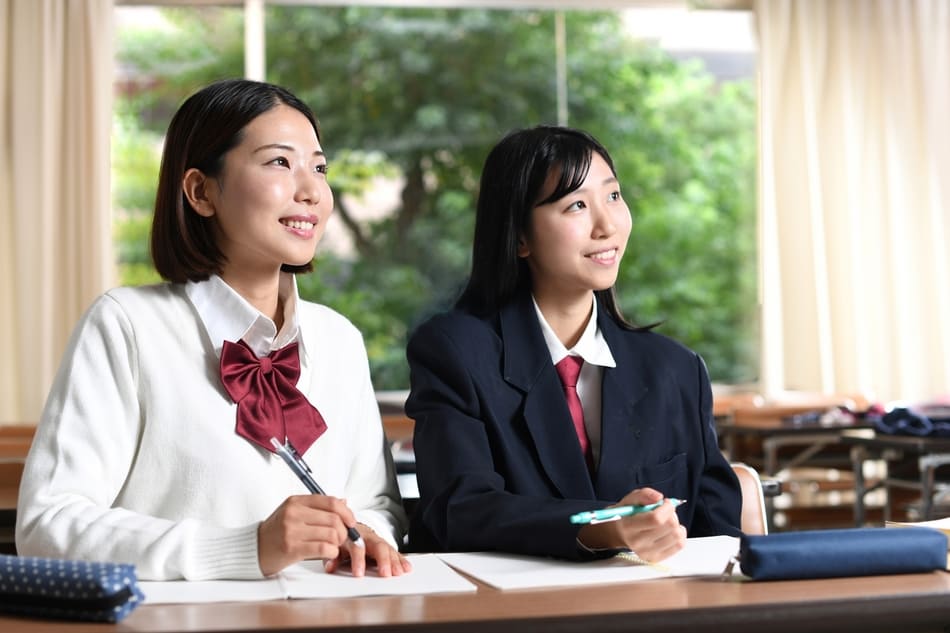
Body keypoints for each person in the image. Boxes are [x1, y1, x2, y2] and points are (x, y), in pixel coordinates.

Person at [16, 79, 411, 581]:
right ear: (201, 191)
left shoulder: (340, 340)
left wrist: (367, 534)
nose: (312, 190)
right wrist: (246, 548)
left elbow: (377, 502)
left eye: (318, 167)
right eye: (279, 162)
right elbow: (47, 524)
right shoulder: (126, 325)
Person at [405, 125, 741, 561]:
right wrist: (606, 527)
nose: (607, 225)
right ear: (519, 236)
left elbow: (718, 536)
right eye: (577, 205)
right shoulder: (454, 351)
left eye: (614, 197)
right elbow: (460, 510)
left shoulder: (677, 370)